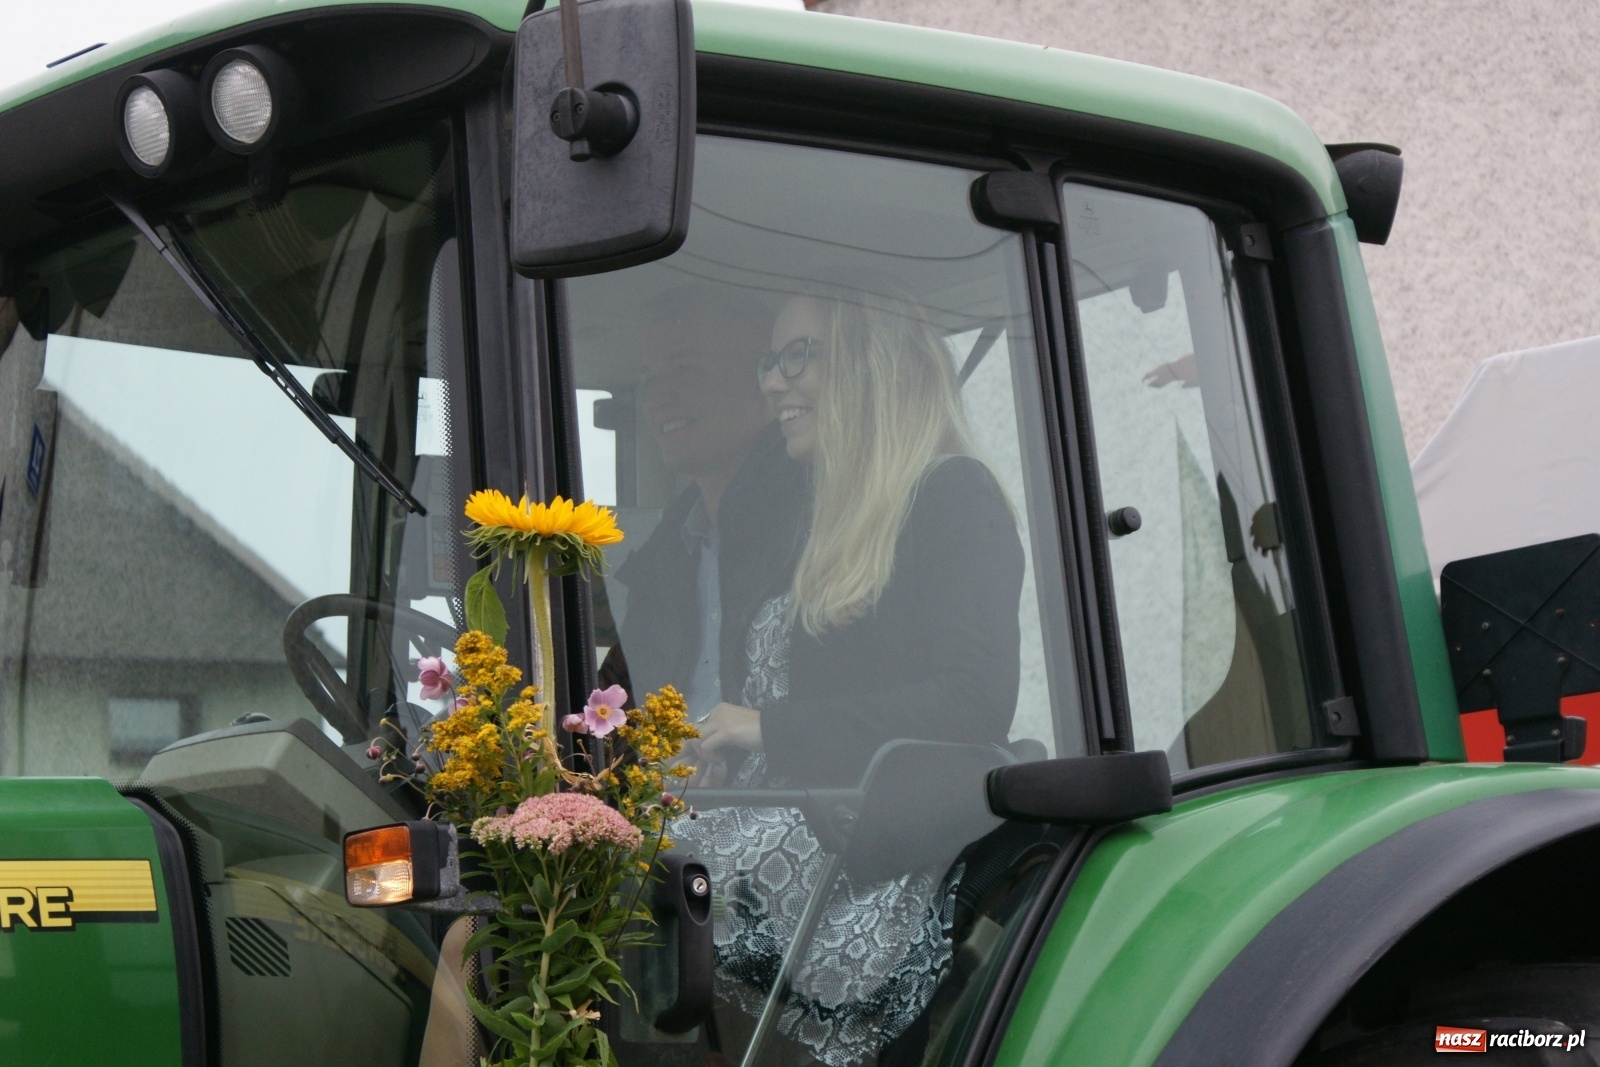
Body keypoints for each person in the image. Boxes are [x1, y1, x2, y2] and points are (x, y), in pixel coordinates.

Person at [672, 282, 1025, 1067]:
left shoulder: (954, 496)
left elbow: (975, 698)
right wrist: (729, 749)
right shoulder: (816, 519)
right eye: (769, 361)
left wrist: (767, 728)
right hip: (780, 818)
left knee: (611, 905)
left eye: (799, 355)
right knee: (543, 894)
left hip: (858, 847)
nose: (772, 382)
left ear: (875, 364)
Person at [599, 285, 807, 724]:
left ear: (765, 381)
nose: (657, 397)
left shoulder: (827, 533)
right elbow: (617, 713)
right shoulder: (661, 556)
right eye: (648, 378)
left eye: (685, 368)